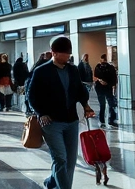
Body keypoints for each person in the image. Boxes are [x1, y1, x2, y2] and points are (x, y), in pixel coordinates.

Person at [27, 37, 96, 189]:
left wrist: (86, 106)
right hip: (51, 122)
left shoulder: (73, 70)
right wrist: (41, 113)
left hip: (71, 121)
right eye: (65, 53)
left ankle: (51, 182)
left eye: (69, 53)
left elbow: (79, 90)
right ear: (54, 53)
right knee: (60, 159)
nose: (68, 56)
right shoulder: (41, 71)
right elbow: (31, 96)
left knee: (70, 162)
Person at [93, 54, 118, 127]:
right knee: (103, 104)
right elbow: (96, 76)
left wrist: (112, 86)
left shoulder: (110, 67)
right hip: (101, 88)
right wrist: (100, 81)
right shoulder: (98, 67)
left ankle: (111, 119)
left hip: (107, 87)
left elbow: (114, 78)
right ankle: (102, 119)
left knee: (110, 104)